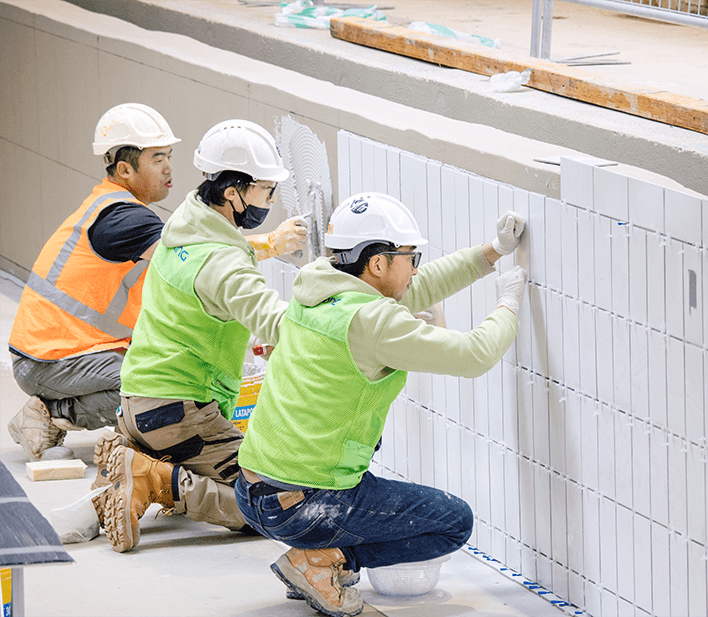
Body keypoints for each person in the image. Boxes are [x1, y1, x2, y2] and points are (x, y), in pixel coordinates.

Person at [234, 192, 528, 617]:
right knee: (453, 521)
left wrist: (493, 251)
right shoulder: (373, 321)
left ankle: (314, 557)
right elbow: (473, 355)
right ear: (377, 263)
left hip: (253, 493)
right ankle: (321, 562)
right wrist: (508, 305)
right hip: (306, 506)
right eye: (411, 256)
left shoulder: (318, 287)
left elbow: (416, 287)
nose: (416, 267)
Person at [94, 119, 309, 553]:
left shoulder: (187, 224)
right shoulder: (221, 261)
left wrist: (247, 338)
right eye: (267, 191)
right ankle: (161, 480)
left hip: (141, 403)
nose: (272, 201)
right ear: (234, 192)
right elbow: (280, 321)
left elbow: (195, 310)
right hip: (178, 413)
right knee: (280, 506)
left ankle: (146, 463)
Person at [7, 103, 180, 461]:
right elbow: (198, 253)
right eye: (157, 158)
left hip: (67, 350)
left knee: (157, 372)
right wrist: (270, 244)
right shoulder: (121, 220)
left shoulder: (115, 206)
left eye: (169, 155)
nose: (168, 167)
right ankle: (55, 416)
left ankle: (54, 411)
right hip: (46, 360)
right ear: (124, 169)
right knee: (151, 385)